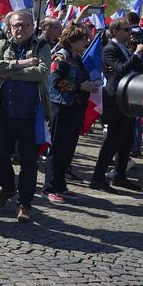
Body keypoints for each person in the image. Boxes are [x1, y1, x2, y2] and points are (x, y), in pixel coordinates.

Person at [0, 9, 51, 223]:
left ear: (32, 26)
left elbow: (41, 72)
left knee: (29, 163)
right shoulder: (4, 43)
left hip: (29, 114)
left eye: (24, 24)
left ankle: (24, 203)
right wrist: (21, 64)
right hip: (3, 112)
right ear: (10, 27)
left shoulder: (41, 45)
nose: (19, 28)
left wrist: (9, 72)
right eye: (16, 25)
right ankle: (7, 187)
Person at [41, 25, 99, 203]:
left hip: (75, 107)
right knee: (57, 147)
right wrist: (81, 86)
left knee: (68, 148)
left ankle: (60, 185)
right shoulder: (61, 58)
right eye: (81, 39)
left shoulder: (77, 57)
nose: (85, 41)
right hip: (61, 106)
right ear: (71, 41)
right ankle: (49, 187)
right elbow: (56, 83)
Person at [90, 18, 143, 192]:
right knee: (112, 140)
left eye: (131, 30)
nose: (130, 33)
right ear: (115, 31)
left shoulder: (125, 48)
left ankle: (119, 174)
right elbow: (120, 69)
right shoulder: (109, 49)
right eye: (126, 30)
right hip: (115, 99)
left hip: (128, 97)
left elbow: (137, 67)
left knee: (127, 140)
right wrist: (137, 54)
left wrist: (141, 54)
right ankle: (98, 178)